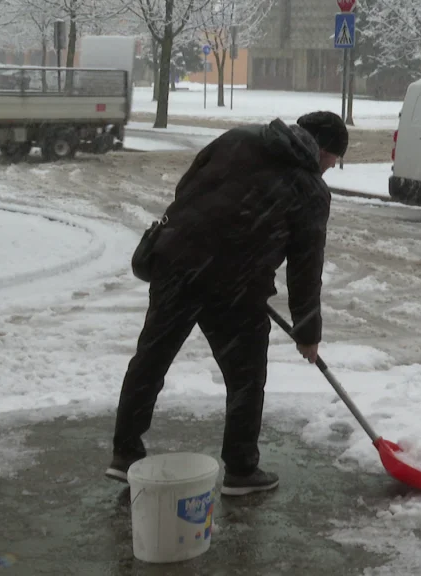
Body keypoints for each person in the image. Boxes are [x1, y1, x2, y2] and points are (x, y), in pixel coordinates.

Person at [106, 111, 348, 496]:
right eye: (333, 162)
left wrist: (202, 237)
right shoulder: (310, 190)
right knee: (246, 378)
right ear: (321, 150)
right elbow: (306, 267)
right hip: (235, 287)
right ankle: (240, 468)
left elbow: (188, 186)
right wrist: (308, 331)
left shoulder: (238, 139)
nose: (329, 170)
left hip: (178, 263)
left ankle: (124, 453)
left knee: (151, 358)